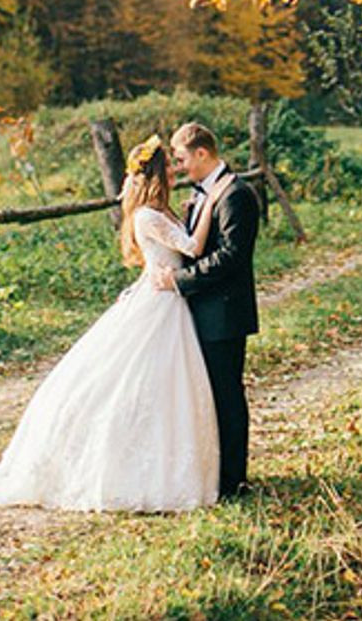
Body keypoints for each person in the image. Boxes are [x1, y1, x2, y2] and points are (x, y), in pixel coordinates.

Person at [0, 136, 228, 511]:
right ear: (154, 174)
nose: (174, 169)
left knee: (164, 386)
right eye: (168, 165)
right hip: (161, 304)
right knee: (133, 382)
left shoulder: (161, 211)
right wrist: (211, 205)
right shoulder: (148, 216)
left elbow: (162, 261)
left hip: (167, 301)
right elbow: (192, 249)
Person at [149, 121, 259, 500]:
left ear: (202, 153)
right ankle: (214, 476)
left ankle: (234, 481)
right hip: (201, 311)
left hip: (225, 314)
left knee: (227, 395)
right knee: (206, 396)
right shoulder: (202, 194)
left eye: (182, 159)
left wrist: (182, 281)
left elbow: (231, 257)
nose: (179, 168)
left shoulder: (236, 195)